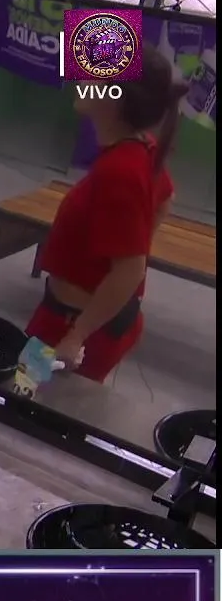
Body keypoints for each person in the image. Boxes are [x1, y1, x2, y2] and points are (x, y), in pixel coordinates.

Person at [28, 49, 190, 382]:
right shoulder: (140, 146)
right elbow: (166, 197)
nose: (80, 78)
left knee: (26, 393)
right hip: (75, 316)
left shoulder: (120, 171)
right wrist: (134, 238)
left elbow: (130, 271)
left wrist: (77, 335)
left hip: (73, 326)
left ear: (116, 99)